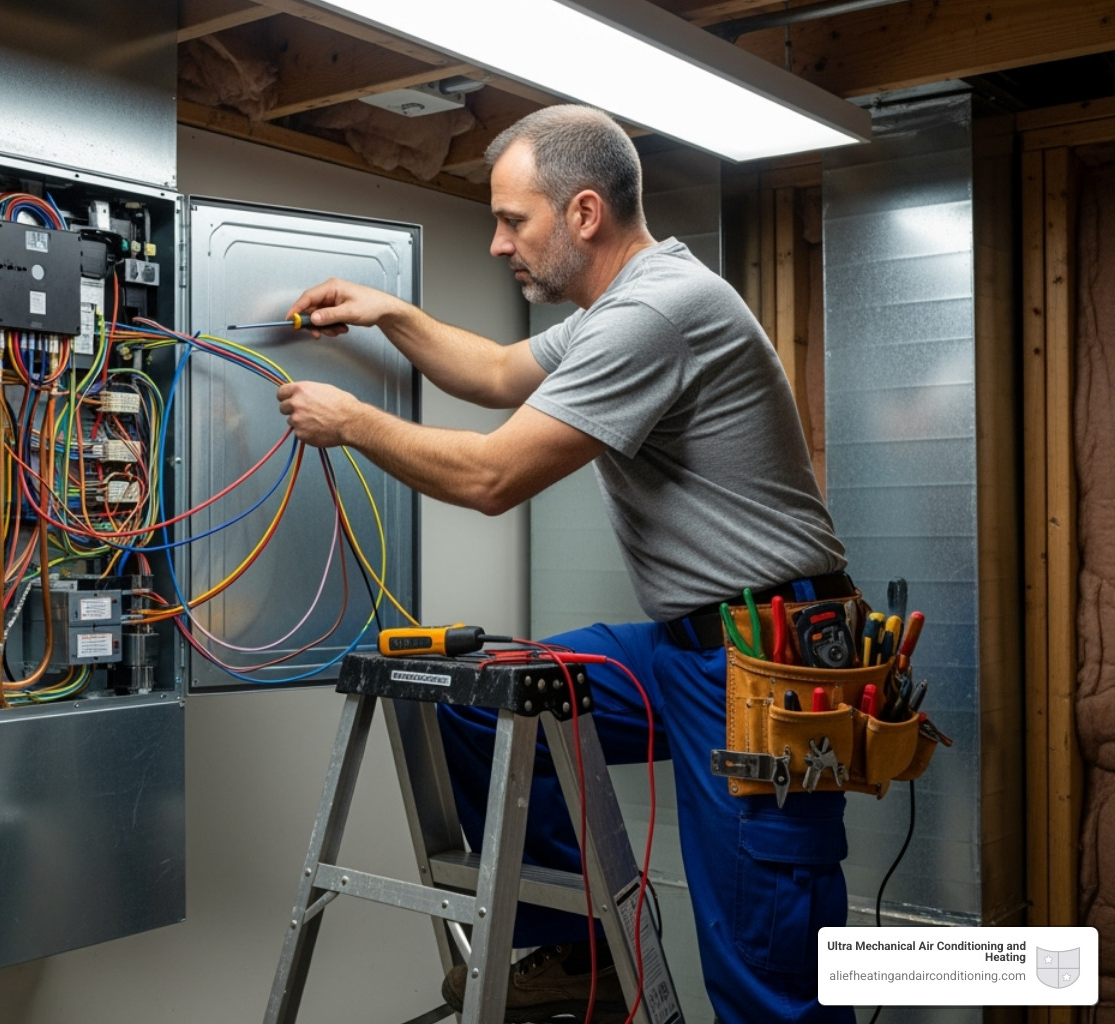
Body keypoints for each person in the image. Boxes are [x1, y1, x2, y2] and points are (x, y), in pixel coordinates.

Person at [275, 104, 855, 1024]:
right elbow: (499, 370)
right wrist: (392, 313)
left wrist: (353, 423)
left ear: (584, 213)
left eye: (514, 221)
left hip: (764, 660)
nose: (501, 243)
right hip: (682, 649)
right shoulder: (615, 308)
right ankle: (582, 952)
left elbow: (496, 475)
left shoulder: (654, 315)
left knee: (762, 964)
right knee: (480, 697)